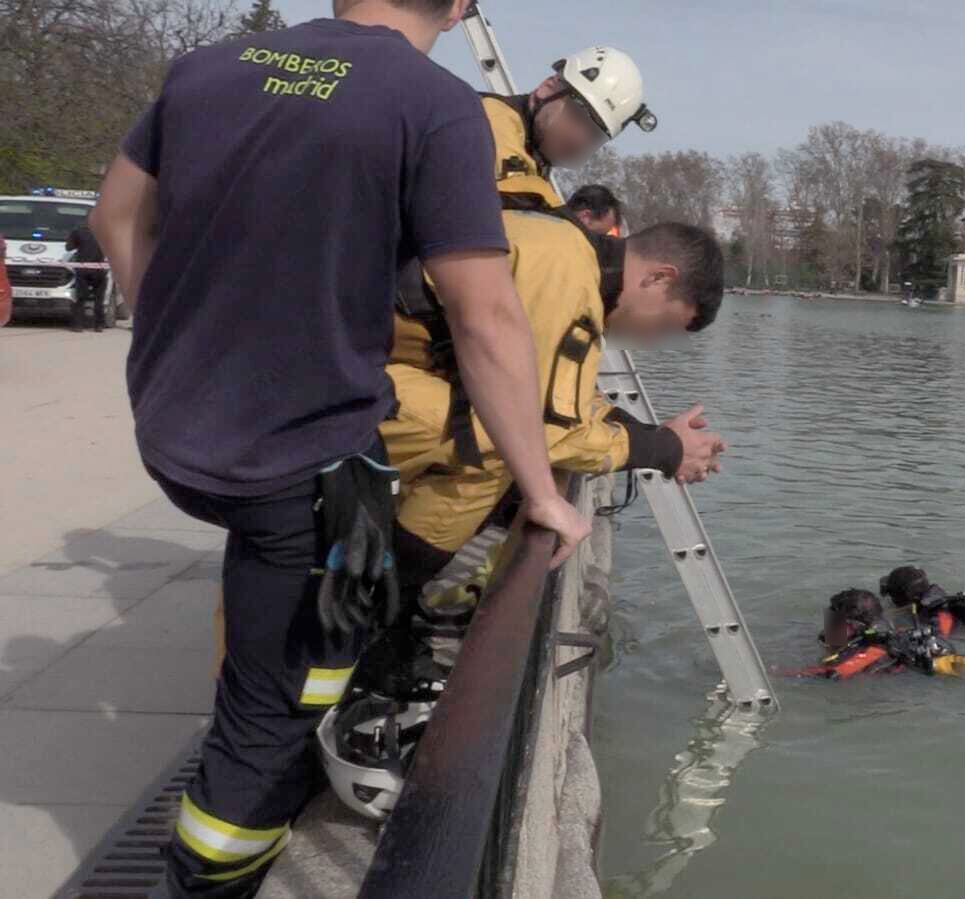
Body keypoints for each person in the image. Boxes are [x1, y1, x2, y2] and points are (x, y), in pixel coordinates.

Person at [89, 1, 589, 894]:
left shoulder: (206, 67)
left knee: (312, 606)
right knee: (264, 707)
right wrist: (541, 492)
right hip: (295, 453)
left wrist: (165, 339)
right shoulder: (433, 104)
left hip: (172, 428)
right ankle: (209, 872)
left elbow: (116, 217)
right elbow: (484, 312)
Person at [384, 211, 728, 609]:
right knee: (494, 443)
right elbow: (540, 427)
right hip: (331, 377)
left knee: (504, 436)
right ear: (658, 278)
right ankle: (382, 598)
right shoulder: (568, 277)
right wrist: (666, 449)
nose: (653, 340)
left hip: (362, 361)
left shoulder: (568, 252)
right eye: (666, 325)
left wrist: (657, 438)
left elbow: (560, 397)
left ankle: (392, 586)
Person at [479, 46, 654, 209]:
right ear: (547, 88)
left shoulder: (536, 163)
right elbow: (519, 200)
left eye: (594, 135)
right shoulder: (488, 119)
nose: (579, 138)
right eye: (576, 115)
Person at [800, 588, 965, 680]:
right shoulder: (884, 634)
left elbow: (834, 674)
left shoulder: (874, 649)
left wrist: (780, 674)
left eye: (835, 621)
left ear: (854, 626)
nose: (829, 626)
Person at [879, 565, 965, 636]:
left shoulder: (938, 614)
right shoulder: (940, 599)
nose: (892, 600)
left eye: (894, 596)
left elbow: (944, 637)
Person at [65, 222, 107, 332]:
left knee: (80, 298)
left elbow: (69, 247)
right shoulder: (104, 232)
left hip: (82, 269)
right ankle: (99, 325)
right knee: (99, 299)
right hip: (99, 269)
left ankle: (78, 325)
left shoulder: (78, 231)